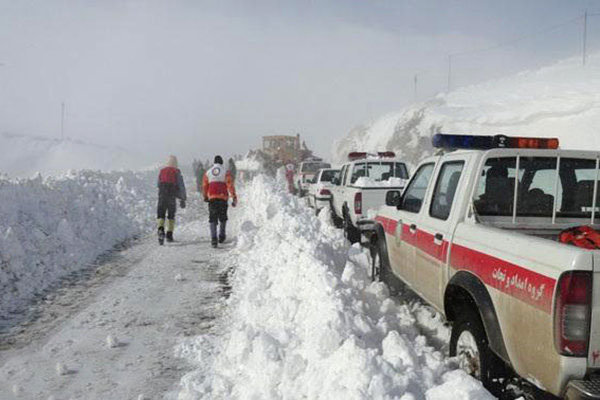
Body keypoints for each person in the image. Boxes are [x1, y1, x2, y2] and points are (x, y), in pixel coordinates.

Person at [203, 155, 237, 248]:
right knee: (223, 217)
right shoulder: (226, 172)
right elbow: (230, 185)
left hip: (212, 197)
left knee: (212, 218)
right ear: (222, 163)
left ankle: (213, 238)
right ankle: (221, 236)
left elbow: (205, 185)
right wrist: (233, 197)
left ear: (214, 162)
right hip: (223, 197)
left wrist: (205, 196)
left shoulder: (208, 172)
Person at [157, 155, 186, 245]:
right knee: (171, 215)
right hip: (171, 196)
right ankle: (169, 235)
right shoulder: (176, 172)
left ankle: (161, 230)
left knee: (161, 214)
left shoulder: (162, 171)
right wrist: (183, 198)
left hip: (162, 195)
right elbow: (181, 186)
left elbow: (158, 183)